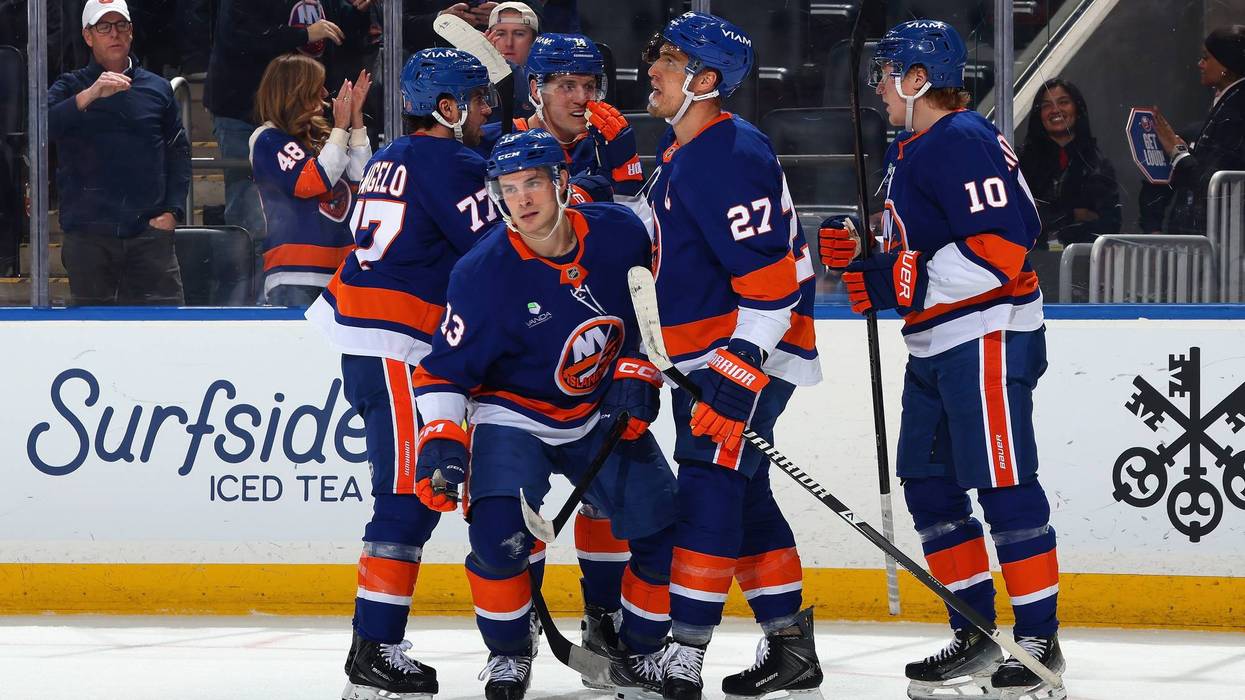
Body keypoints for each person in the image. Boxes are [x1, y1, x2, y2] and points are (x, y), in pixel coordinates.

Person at [818, 19, 1064, 700]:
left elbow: (1001, 249)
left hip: (985, 335)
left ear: (918, 77)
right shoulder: (916, 145)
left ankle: (1039, 637)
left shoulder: (958, 139)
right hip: (935, 341)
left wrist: (898, 276)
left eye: (886, 70)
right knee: (927, 485)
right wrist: (864, 251)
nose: (877, 84)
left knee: (1003, 483)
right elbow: (920, 242)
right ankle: (976, 633)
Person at [413, 128, 677, 700]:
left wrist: (640, 370)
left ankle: (640, 650)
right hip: (513, 416)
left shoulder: (619, 234)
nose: (522, 201)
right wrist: (440, 437)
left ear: (561, 182)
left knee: (663, 529)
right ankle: (508, 653)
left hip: (598, 408)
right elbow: (442, 371)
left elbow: (656, 310)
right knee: (497, 538)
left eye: (533, 183)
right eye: (508, 189)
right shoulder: (482, 273)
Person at [640, 12, 825, 700]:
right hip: (718, 356)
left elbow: (771, 280)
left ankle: (685, 650)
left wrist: (740, 365)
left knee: (708, 487)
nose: (651, 69)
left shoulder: (726, 152)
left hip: (747, 355)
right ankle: (790, 648)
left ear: (705, 79)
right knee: (743, 493)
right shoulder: (686, 152)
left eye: (667, 59)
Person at [304, 47, 499, 700]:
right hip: (395, 342)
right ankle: (374, 650)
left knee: (412, 493)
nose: (483, 110)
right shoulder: (455, 162)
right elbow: (495, 250)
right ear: (447, 107)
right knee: (408, 496)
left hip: (366, 335)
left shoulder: (394, 154)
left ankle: (376, 645)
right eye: (475, 100)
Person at [47, 0, 189, 306]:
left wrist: (172, 211)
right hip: (88, 236)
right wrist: (91, 94)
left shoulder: (158, 88)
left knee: (166, 332)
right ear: (88, 36)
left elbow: (178, 152)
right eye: (104, 27)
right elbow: (42, 131)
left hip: (149, 234)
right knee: (92, 337)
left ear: (132, 31)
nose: (115, 34)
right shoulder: (69, 86)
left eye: (121, 25)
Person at [206, 0, 374, 242]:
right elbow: (240, 38)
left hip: (302, 112)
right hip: (245, 110)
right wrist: (304, 34)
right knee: (251, 216)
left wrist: (357, 12)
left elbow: (338, 27)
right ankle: (247, 277)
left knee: (311, 202)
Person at [249, 55, 373, 306]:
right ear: (295, 90)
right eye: (318, 85)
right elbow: (311, 182)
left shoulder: (327, 136)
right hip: (295, 275)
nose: (326, 92)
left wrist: (356, 120)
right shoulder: (267, 139)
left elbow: (364, 181)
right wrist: (340, 127)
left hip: (343, 272)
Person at [478, 33, 643, 206]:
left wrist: (626, 167)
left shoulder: (608, 143)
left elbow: (636, 222)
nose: (581, 98)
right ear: (535, 90)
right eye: (567, 86)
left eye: (589, 86)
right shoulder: (490, 142)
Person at [1148, 25, 1245, 235]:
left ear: (1225, 65)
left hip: (1225, 240)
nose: (1200, 64)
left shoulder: (1236, 108)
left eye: (1206, 57)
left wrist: (1177, 152)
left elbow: (1213, 182)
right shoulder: (1230, 100)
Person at [1019, 79, 1121, 249]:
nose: (1055, 110)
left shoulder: (1098, 164)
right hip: (1032, 263)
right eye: (1046, 105)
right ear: (1039, 114)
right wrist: (1073, 215)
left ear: (1077, 109)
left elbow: (1109, 226)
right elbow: (1023, 219)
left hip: (1084, 264)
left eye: (1063, 102)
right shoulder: (1021, 162)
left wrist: (1053, 218)